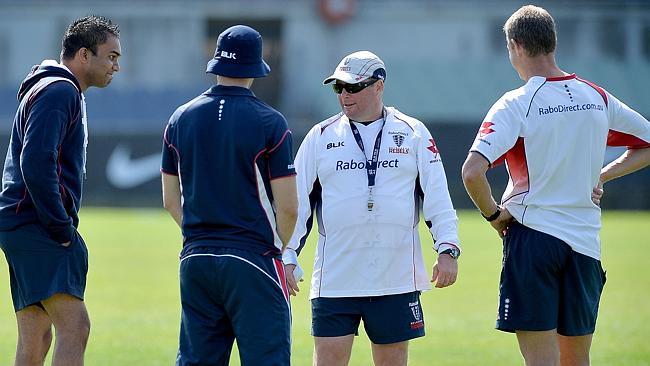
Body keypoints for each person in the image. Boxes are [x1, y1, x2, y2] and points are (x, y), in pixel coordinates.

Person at [462, 5, 650, 366]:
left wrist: (493, 216)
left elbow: (472, 172)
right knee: (577, 360)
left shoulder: (515, 103)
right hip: (584, 244)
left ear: (515, 46)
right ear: (552, 43)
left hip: (533, 238)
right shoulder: (596, 95)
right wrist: (603, 175)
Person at [282, 50, 460, 366]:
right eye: (339, 88)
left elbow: (438, 197)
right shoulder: (320, 136)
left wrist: (447, 249)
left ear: (379, 86)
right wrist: (287, 255)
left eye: (353, 87)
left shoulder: (413, 132)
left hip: (395, 278)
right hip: (335, 279)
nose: (345, 95)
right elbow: (295, 203)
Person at [161, 25, 298, 365]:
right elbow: (289, 208)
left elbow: (170, 199)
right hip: (253, 257)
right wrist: (277, 245)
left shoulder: (180, 118)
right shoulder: (271, 122)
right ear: (256, 67)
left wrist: (201, 233)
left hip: (195, 259)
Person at [0, 16, 120, 366]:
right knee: (75, 326)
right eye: (111, 56)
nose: (116, 66)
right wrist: (60, 227)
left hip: (21, 222)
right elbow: (36, 162)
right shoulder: (60, 90)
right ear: (84, 55)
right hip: (36, 224)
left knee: (37, 332)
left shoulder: (52, 87)